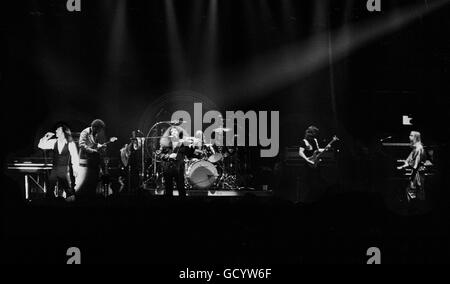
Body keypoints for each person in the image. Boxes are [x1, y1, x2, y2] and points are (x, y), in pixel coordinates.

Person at [38, 123, 79, 201]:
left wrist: (75, 170)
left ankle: (71, 201)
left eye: (58, 129)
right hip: (55, 169)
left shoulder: (70, 143)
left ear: (63, 132)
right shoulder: (54, 142)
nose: (56, 130)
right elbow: (40, 145)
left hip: (64, 170)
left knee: (68, 189)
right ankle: (50, 202)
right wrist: (46, 136)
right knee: (50, 188)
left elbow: (75, 157)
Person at [75, 119, 107, 197]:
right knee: (86, 180)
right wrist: (92, 151)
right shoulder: (85, 132)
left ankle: (92, 194)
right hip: (84, 158)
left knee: (93, 178)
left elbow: (93, 144)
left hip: (91, 159)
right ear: (94, 127)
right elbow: (82, 145)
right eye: (99, 130)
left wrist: (100, 146)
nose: (99, 132)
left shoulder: (94, 133)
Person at [157, 126, 189, 197]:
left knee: (181, 187)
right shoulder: (166, 143)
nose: (173, 132)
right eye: (172, 131)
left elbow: (188, 153)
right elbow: (159, 154)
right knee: (168, 188)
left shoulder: (182, 143)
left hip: (179, 167)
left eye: (175, 131)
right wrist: (169, 156)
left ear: (178, 133)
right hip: (168, 167)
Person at [297, 126, 324, 203]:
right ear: (309, 134)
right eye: (313, 135)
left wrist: (326, 148)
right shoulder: (304, 141)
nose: (314, 137)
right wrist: (307, 160)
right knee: (309, 183)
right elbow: (300, 152)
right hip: (307, 166)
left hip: (316, 164)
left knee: (317, 182)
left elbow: (318, 150)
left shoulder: (315, 140)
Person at [397, 131, 427, 202]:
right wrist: (403, 166)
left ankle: (415, 206)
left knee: (414, 190)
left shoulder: (418, 149)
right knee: (415, 190)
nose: (409, 137)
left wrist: (412, 177)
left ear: (416, 137)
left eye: (411, 135)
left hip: (418, 172)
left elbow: (416, 165)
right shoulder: (415, 148)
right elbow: (409, 160)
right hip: (416, 172)